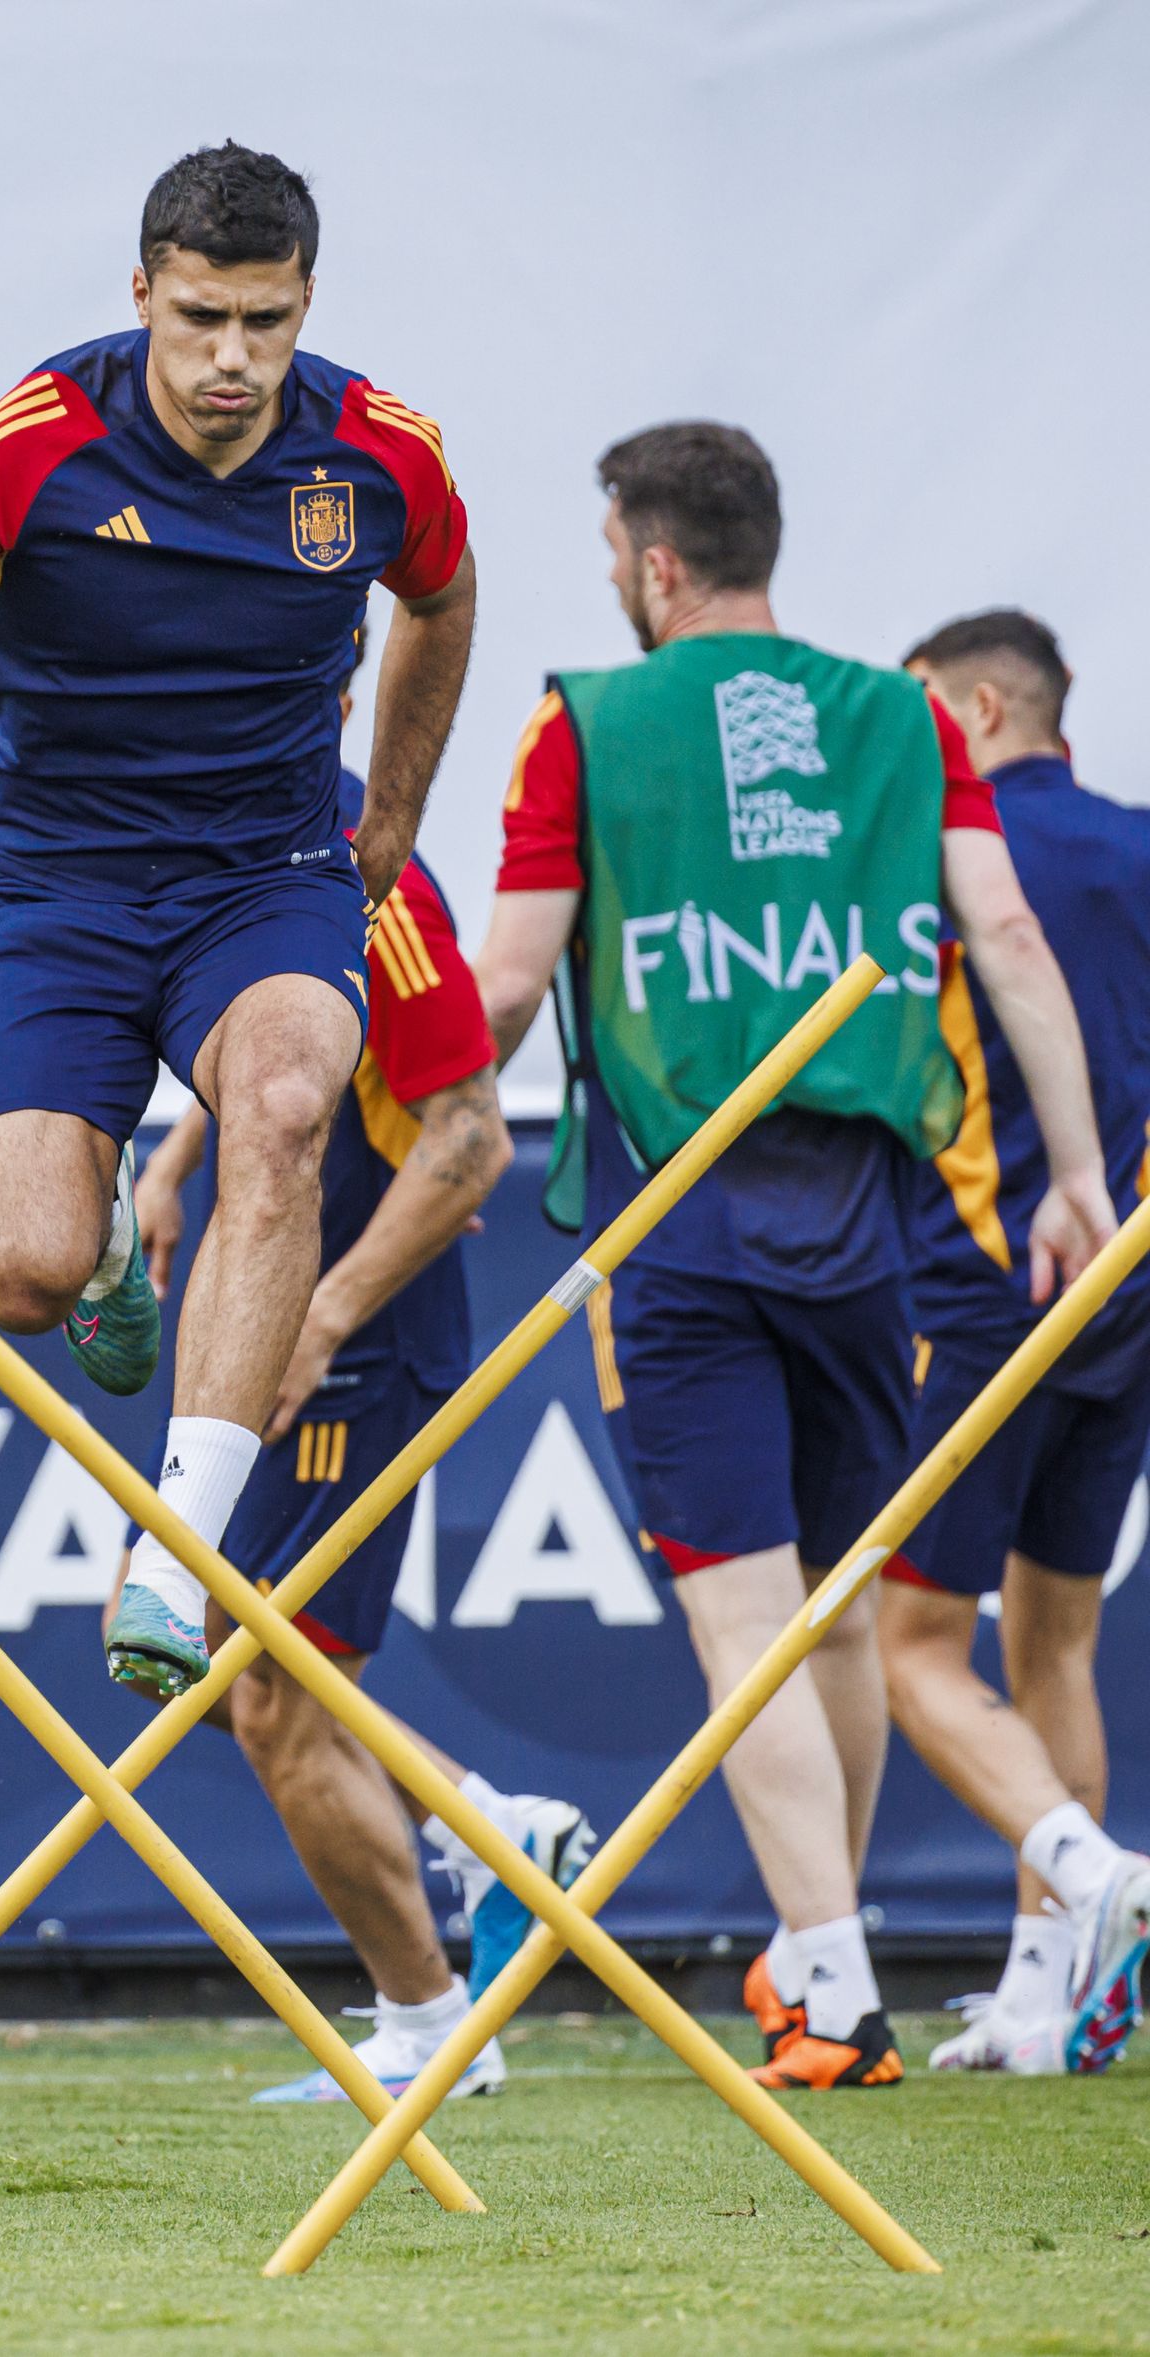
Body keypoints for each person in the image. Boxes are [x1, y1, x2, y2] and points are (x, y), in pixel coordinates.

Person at [0, 141, 475, 1704]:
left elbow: (443, 598)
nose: (231, 359)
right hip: (53, 885)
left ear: (306, 306)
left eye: (266, 322)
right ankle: (114, 1225)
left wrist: (393, 814)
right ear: (142, 294)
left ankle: (176, 1554)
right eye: (200, 318)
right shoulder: (35, 442)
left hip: (266, 874)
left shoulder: (379, 454)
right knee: (26, 1272)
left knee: (288, 1103)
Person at [470, 423, 1116, 2090]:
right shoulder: (906, 719)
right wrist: (1077, 1179)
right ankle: (836, 1961)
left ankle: (845, 1981)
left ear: (655, 561)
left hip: (683, 1223)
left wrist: (398, 1121)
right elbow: (1008, 936)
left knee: (749, 1626)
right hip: (871, 1229)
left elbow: (508, 989)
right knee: (835, 1617)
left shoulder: (584, 722)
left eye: (614, 553)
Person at [106, 664, 596, 2103]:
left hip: (356, 1336)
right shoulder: (219, 837)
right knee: (197, 1643)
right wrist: (177, 1158)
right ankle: (484, 1839)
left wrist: (321, 1317)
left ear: (317, 708)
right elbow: (265, 1047)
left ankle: (434, 2017)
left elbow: (469, 1139)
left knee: (269, 1697)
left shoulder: (375, 880)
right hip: (268, 1316)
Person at [878, 610, 1150, 2075]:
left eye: (925, 707)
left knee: (907, 1643)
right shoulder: (1142, 845)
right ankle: (1049, 1998)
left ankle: (1096, 1885)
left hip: (985, 1285)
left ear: (980, 710)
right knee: (1058, 1643)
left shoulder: (954, 853)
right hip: (1128, 1293)